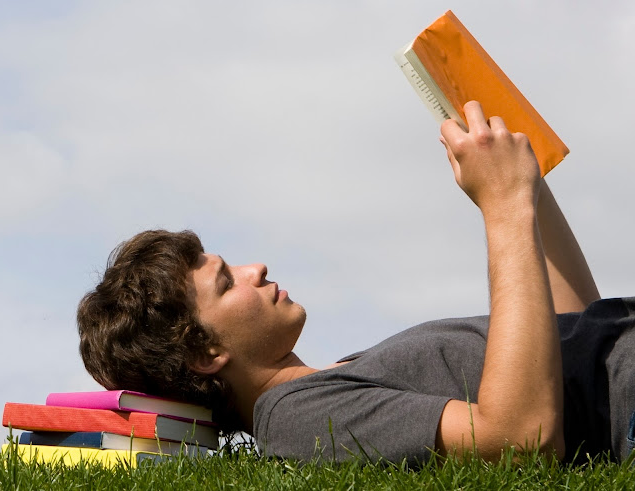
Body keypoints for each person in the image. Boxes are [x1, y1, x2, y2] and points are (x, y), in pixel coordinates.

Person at [77, 102, 635, 465]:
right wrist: (504, 205)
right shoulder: (296, 420)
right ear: (205, 352)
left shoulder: (344, 374)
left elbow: (571, 324)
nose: (256, 269)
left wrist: (527, 181)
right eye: (226, 283)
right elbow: (519, 442)